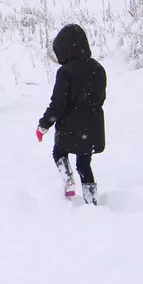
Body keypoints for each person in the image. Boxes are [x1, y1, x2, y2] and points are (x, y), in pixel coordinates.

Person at [35, 23, 107, 205]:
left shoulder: (65, 72)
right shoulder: (98, 68)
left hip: (70, 127)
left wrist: (44, 125)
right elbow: (100, 98)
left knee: (59, 153)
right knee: (84, 165)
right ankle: (91, 201)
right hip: (92, 127)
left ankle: (68, 181)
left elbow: (58, 104)